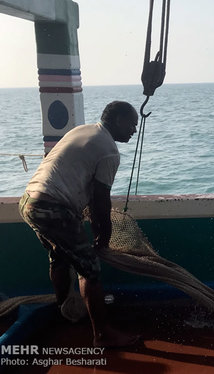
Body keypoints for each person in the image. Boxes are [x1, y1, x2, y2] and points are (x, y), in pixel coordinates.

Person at [19, 101, 140, 347]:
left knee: (60, 257)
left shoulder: (81, 130)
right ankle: (102, 336)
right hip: (53, 208)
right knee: (90, 270)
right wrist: (103, 236)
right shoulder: (108, 150)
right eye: (132, 124)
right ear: (117, 120)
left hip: (29, 201)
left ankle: (67, 311)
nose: (134, 130)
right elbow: (99, 200)